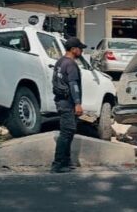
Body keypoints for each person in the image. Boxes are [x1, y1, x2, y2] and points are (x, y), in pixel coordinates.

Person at [50, 37, 86, 173]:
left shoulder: (60, 62)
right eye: (80, 48)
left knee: (69, 131)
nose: (81, 51)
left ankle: (66, 161)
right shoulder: (70, 64)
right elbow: (73, 85)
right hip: (67, 102)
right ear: (73, 49)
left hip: (60, 100)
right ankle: (57, 164)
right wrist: (77, 103)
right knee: (66, 132)